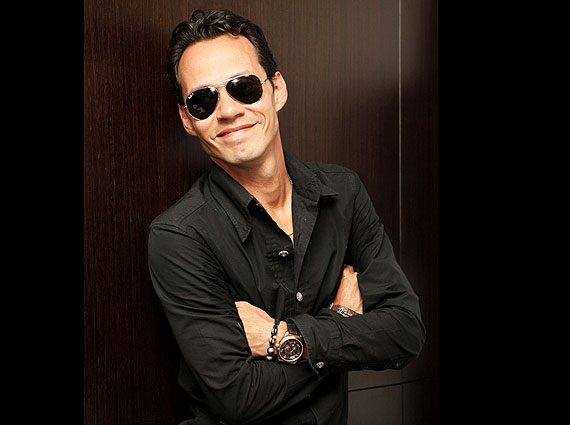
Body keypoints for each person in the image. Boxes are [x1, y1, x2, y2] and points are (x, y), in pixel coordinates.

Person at [148, 9, 425, 425]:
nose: (227, 111)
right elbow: (239, 398)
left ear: (276, 89)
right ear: (188, 120)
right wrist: (341, 320)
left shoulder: (344, 192)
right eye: (203, 100)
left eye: (243, 87)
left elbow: (404, 333)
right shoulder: (179, 236)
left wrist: (281, 338)